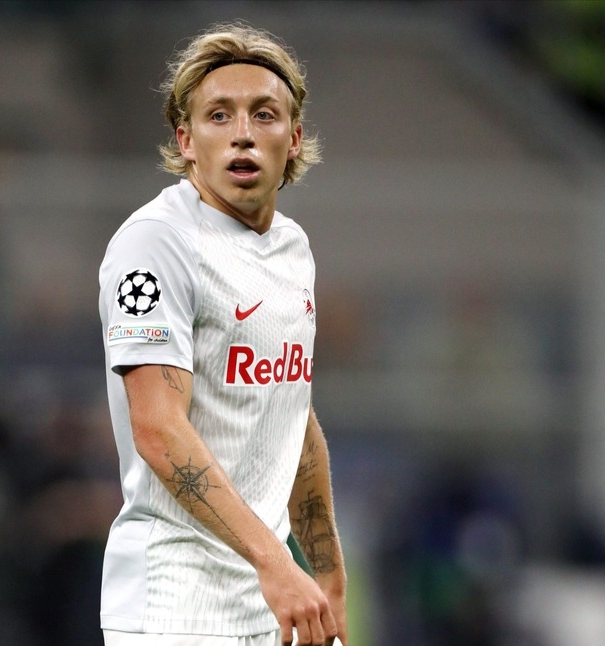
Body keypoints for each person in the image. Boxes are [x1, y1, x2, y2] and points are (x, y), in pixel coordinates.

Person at [98, 23, 347, 646]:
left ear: (293, 139)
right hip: (172, 609)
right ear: (186, 141)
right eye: (218, 115)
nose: (242, 133)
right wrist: (275, 563)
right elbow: (157, 428)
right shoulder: (156, 243)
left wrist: (327, 574)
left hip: (267, 606)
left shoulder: (292, 248)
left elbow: (290, 413)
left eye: (264, 114)